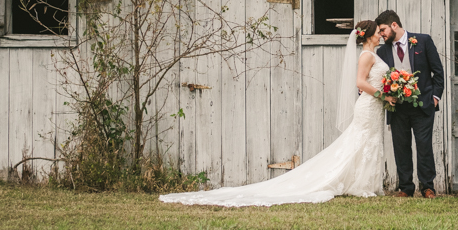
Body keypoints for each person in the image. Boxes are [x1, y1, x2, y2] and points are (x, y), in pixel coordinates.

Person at [159, 20, 388, 208]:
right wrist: (383, 95)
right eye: (378, 32)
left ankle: (362, 184)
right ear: (368, 36)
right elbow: (359, 82)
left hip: (373, 106)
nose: (381, 35)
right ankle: (359, 186)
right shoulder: (367, 56)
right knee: (360, 142)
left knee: (366, 143)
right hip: (368, 105)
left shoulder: (372, 55)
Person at [375, 10, 444, 199]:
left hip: (423, 105)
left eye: (383, 30)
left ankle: (427, 187)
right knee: (401, 147)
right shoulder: (382, 51)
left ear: (394, 25)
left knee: (424, 146)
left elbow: (438, 72)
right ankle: (406, 188)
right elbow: (381, 79)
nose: (381, 35)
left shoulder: (423, 41)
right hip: (397, 107)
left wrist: (435, 97)